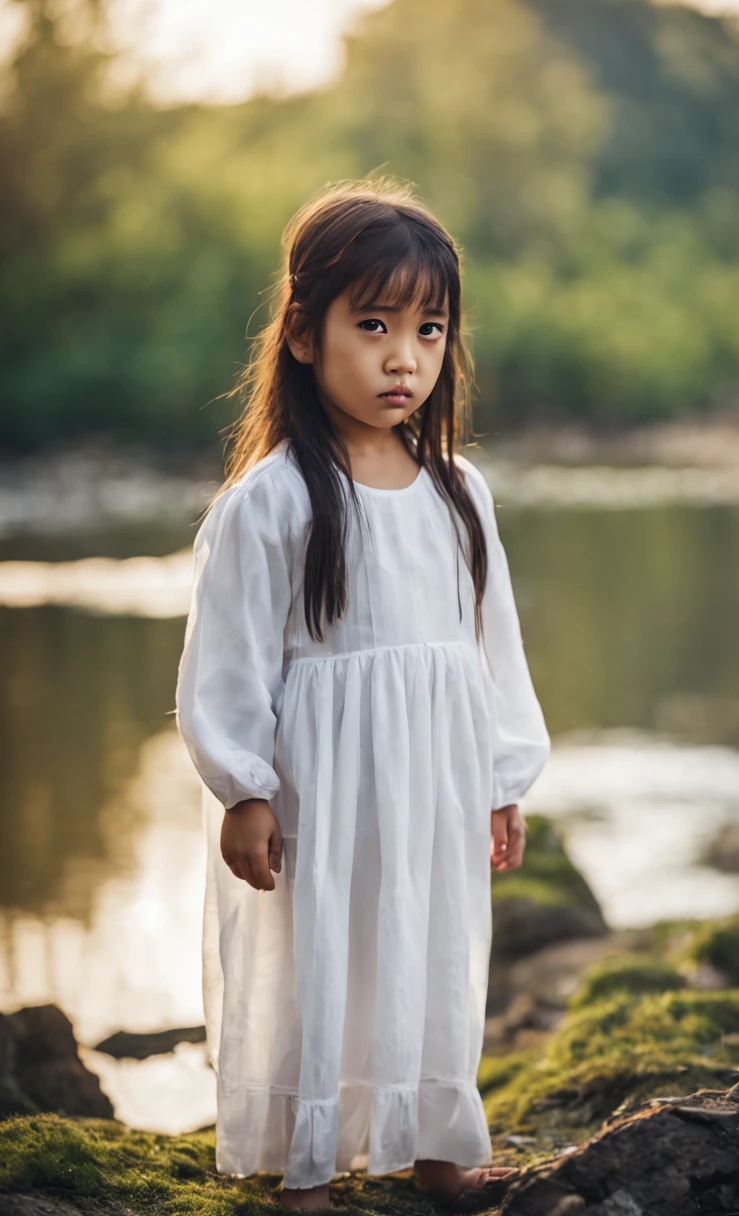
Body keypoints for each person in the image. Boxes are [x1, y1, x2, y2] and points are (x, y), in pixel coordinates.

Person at [175, 177, 550, 1212]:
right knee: (322, 952)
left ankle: (437, 1143)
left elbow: (490, 651)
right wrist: (243, 788)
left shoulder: (458, 494)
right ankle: (308, 1165)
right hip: (322, 787)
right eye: (374, 323)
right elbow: (229, 660)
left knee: (429, 940)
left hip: (432, 777)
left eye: (429, 330)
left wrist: (500, 777)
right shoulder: (274, 500)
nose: (404, 357)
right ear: (303, 333)